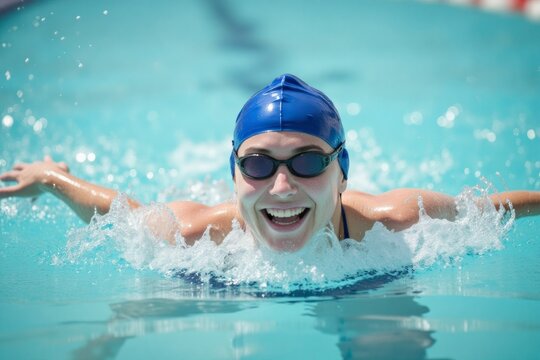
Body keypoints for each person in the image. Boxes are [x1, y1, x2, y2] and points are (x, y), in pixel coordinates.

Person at [1, 74, 539, 252]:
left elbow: (486, 210)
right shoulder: (194, 238)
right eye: (258, 165)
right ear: (232, 173)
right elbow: (119, 214)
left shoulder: (392, 223)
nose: (281, 186)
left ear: (342, 171)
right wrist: (51, 179)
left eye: (307, 162)